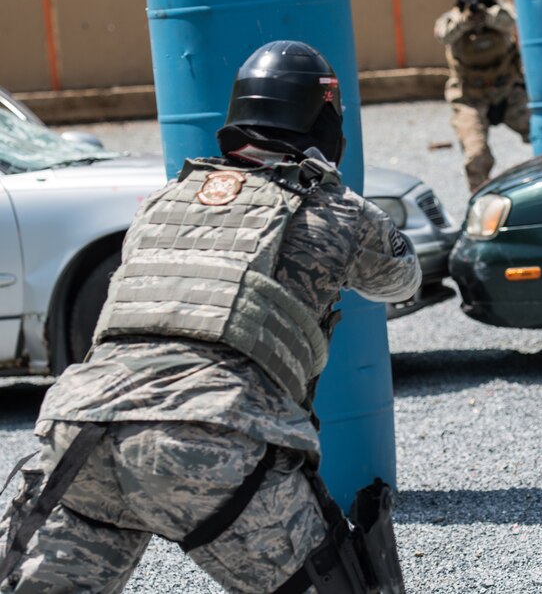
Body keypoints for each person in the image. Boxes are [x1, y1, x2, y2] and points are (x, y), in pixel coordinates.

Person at [0, 40, 420, 593]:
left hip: (79, 433)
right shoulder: (336, 210)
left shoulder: (162, 200)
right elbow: (403, 278)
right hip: (213, 437)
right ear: (323, 123)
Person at [435, 0, 530, 191]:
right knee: (476, 156)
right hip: (470, 97)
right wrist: (465, 22)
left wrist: (487, 17)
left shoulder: (500, 11)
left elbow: (513, 20)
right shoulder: (452, 19)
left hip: (508, 92)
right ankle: (481, 204)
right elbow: (443, 35)